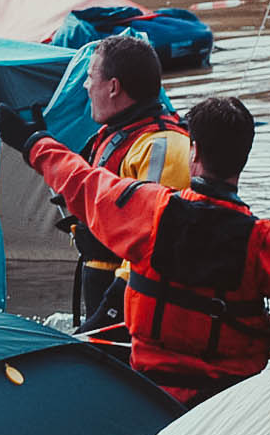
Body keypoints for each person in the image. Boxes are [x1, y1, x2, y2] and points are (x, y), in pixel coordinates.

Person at [0, 95, 270, 406]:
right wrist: (264, 327)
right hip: (233, 404)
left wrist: (33, 142)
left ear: (194, 152)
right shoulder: (269, 246)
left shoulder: (147, 212)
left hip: (152, 395)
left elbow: (80, 180)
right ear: (243, 159)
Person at [55, 34, 192, 330]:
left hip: (139, 310)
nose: (85, 85)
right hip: (107, 290)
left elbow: (156, 238)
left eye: (91, 77)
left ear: (114, 87)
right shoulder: (118, 135)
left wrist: (113, 307)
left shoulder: (162, 146)